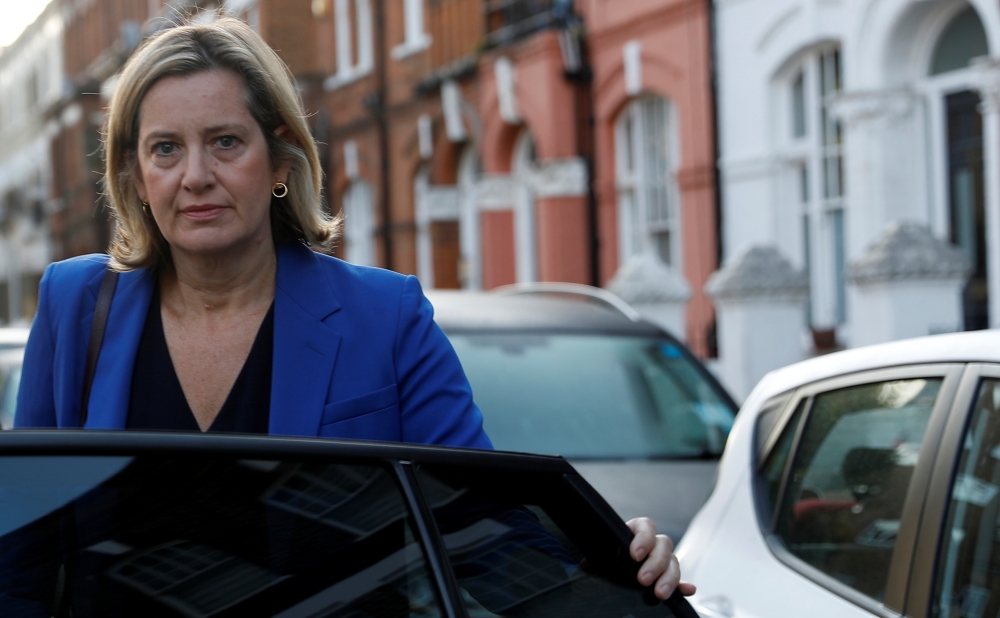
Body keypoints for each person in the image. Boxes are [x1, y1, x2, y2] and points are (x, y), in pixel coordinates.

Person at [14, 18, 692, 601]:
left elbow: (486, 535)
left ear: (279, 160)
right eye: (166, 148)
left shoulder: (384, 316)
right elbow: (25, 545)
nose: (195, 176)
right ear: (133, 174)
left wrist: (611, 560)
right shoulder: (74, 306)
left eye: (225, 142)